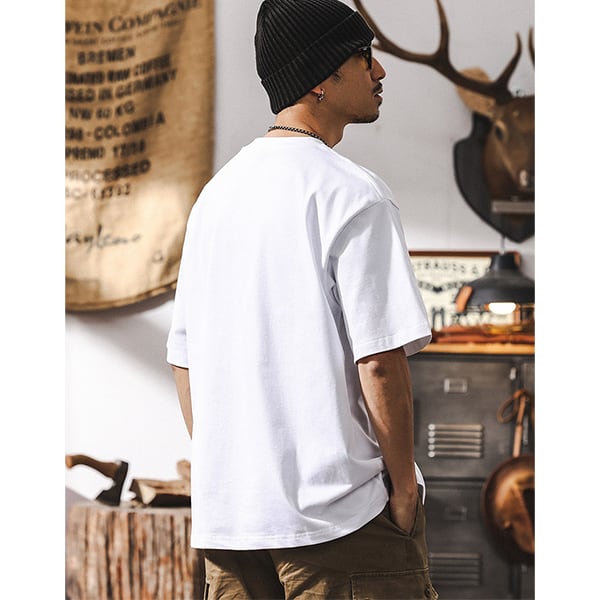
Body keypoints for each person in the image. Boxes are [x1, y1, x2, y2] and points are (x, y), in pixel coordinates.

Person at [166, 0, 438, 598]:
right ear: (321, 76)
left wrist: (232, 475)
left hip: (233, 526)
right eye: (363, 57)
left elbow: (184, 361)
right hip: (342, 523)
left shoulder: (215, 198)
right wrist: (402, 490)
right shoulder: (353, 195)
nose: (379, 71)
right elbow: (379, 362)